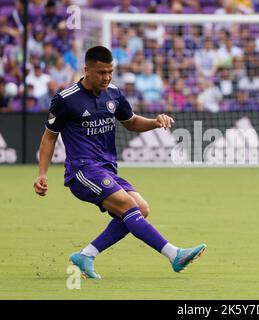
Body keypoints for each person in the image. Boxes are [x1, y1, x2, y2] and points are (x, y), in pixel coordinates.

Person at [33, 46, 206, 279]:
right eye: (101, 72)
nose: (106, 77)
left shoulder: (113, 93)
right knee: (128, 207)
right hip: (82, 170)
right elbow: (49, 137)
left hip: (106, 168)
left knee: (141, 209)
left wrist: (155, 122)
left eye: (110, 72)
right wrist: (42, 174)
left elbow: (131, 122)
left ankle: (86, 254)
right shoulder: (66, 99)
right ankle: (174, 254)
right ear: (86, 70)